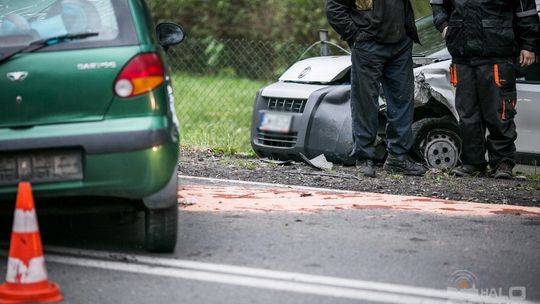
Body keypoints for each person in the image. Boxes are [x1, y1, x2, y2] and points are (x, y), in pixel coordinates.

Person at [431, 0, 539, 179]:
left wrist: (529, 45)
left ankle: (502, 163)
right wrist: (445, 27)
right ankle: (473, 163)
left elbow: (526, 12)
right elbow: (438, 3)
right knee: (467, 115)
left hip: (498, 53)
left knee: (499, 113)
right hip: (462, 55)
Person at [325, 0, 427, 178]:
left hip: (400, 44)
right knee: (365, 102)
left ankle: (397, 158)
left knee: (402, 101)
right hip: (368, 45)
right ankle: (364, 158)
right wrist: (355, 35)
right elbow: (334, 8)